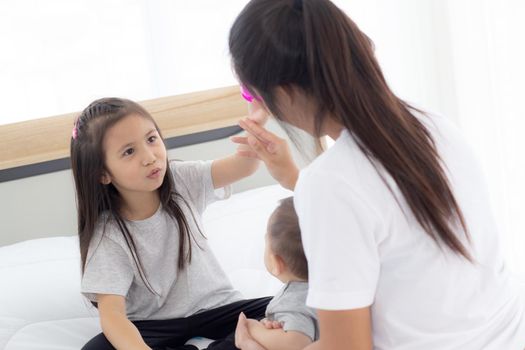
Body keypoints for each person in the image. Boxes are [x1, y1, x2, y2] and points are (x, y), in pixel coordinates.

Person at [228, 0, 525, 349]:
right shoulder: (432, 125)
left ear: (285, 90)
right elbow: (388, 215)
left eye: (252, 92)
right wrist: (296, 178)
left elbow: (347, 347)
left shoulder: (329, 184)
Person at [70, 97, 271, 350]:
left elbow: (242, 167)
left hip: (219, 308)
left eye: (151, 139)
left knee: (294, 310)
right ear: (103, 173)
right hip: (154, 325)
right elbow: (112, 317)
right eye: (129, 151)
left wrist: (256, 129)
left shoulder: (181, 179)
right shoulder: (109, 236)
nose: (150, 157)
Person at [234, 197, 318, 350]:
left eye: (266, 240)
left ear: (276, 263)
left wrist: (253, 329)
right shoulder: (337, 284)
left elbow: (296, 344)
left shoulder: (292, 301)